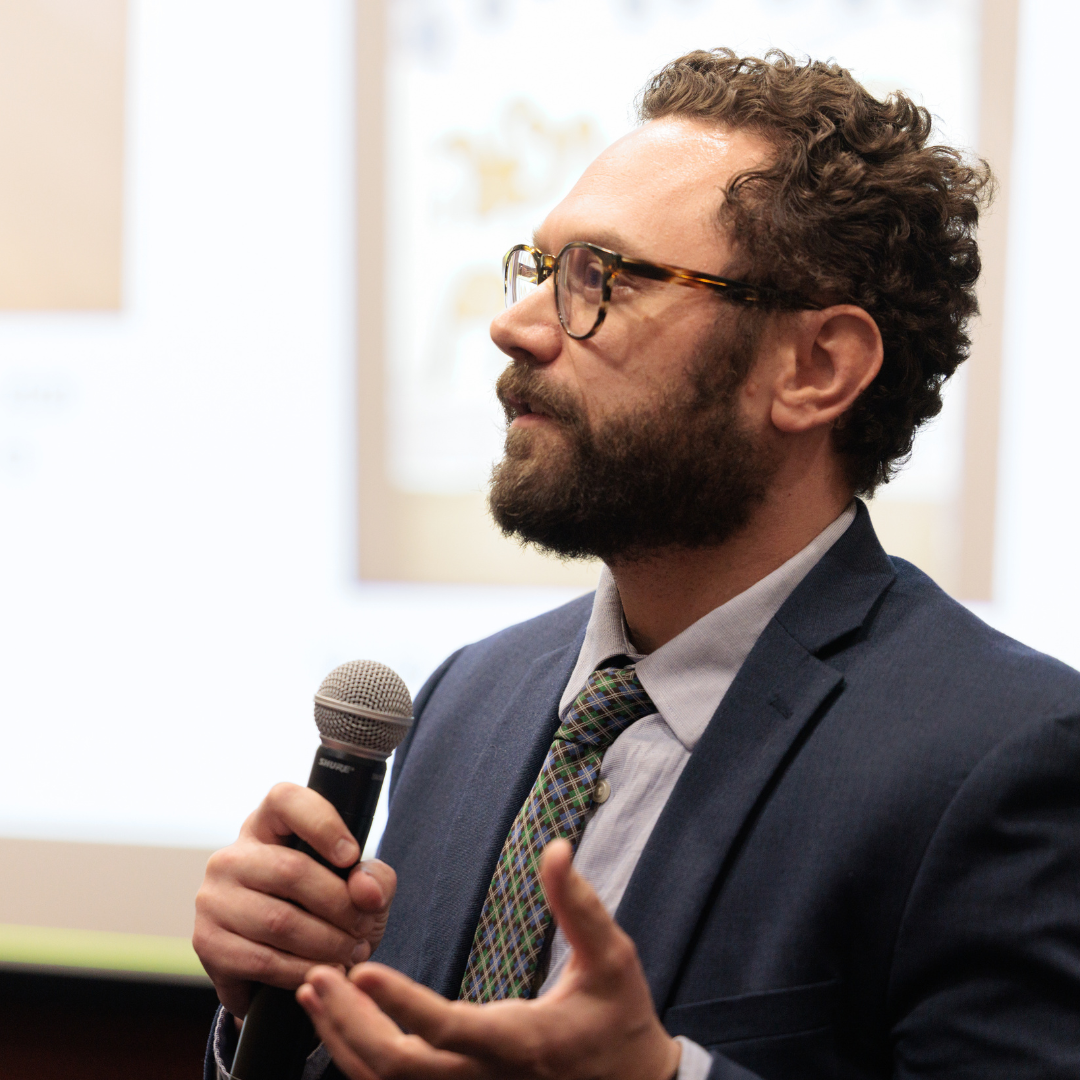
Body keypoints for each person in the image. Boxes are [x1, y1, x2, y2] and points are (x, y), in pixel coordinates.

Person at [194, 49, 1080, 1080]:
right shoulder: (469, 700)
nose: (514, 326)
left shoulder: (1007, 760)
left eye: (603, 280)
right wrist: (267, 1015)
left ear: (816, 367)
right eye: (540, 269)